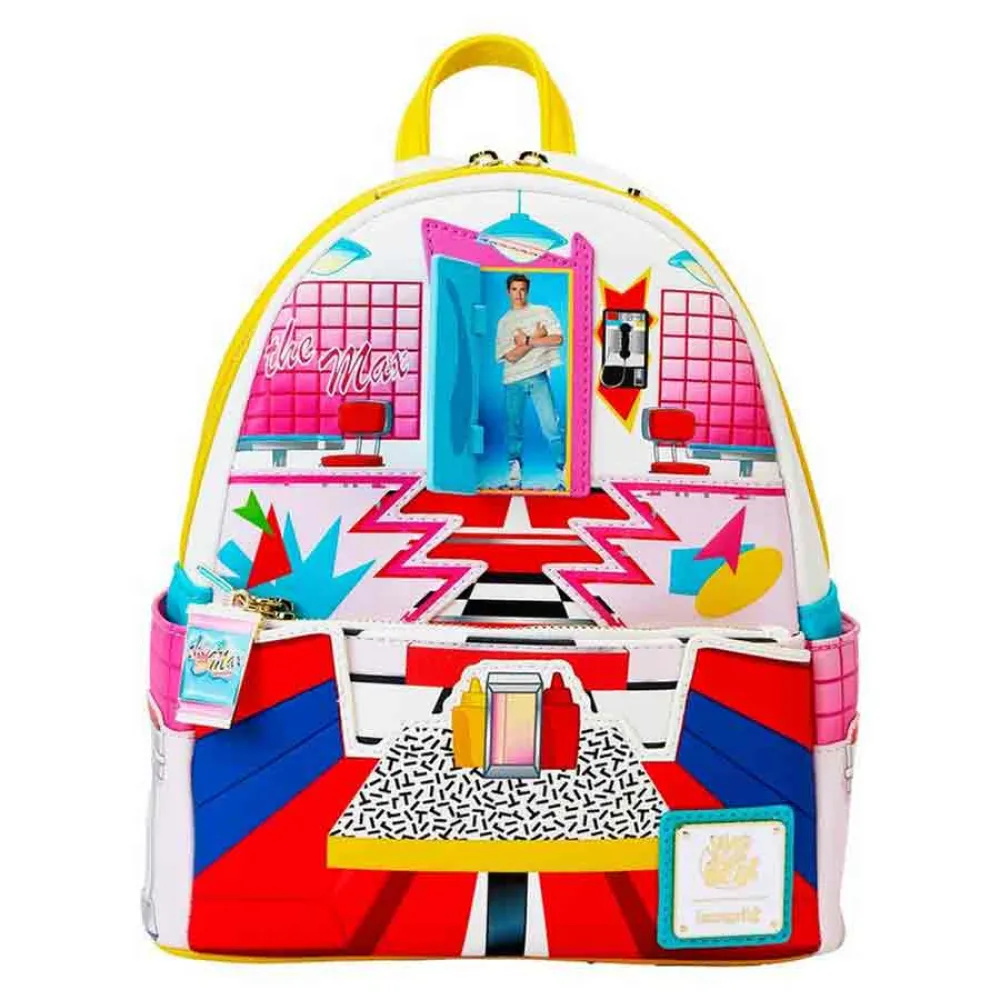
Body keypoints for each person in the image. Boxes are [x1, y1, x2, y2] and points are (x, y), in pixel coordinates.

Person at [495, 274, 566, 488]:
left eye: (522, 289)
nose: (519, 294)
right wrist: (536, 338)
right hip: (513, 379)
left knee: (551, 426)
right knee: (513, 429)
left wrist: (526, 340)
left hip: (538, 376)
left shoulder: (542, 312)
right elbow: (511, 357)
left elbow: (557, 339)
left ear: (528, 291)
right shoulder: (504, 322)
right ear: (508, 291)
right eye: (514, 289)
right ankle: (514, 472)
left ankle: (563, 469)